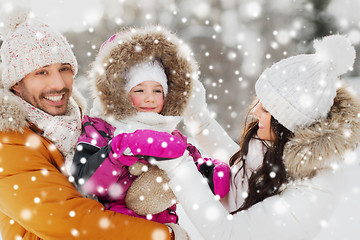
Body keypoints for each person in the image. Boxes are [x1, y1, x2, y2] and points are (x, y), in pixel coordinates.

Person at [154, 34, 360, 239]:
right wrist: (199, 118)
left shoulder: (316, 189)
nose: (255, 112)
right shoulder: (278, 149)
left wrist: (177, 166)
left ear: (289, 122)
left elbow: (229, 234)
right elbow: (241, 170)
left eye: (267, 109)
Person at [0, 7, 175, 239]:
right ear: (16, 85)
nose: (58, 83)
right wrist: (165, 235)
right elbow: (70, 219)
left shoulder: (85, 124)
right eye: (41, 73)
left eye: (64, 69)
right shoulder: (8, 141)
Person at [70, 26, 230, 238]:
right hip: (115, 230)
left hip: (163, 231)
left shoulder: (171, 135)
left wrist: (210, 174)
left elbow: (191, 166)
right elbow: (86, 183)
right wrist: (120, 150)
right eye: (139, 90)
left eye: (157, 90)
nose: (150, 98)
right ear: (120, 94)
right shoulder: (100, 128)